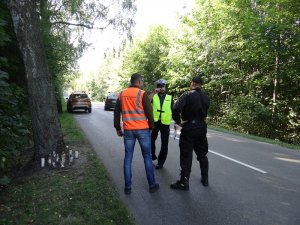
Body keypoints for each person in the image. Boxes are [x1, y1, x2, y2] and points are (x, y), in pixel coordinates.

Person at [114, 73, 159, 195]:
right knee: (147, 157)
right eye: (142, 81)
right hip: (142, 130)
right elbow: (149, 112)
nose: (143, 83)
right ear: (138, 82)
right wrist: (152, 127)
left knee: (128, 158)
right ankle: (152, 185)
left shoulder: (121, 94)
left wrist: (118, 128)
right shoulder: (142, 93)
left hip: (128, 131)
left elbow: (116, 113)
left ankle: (127, 187)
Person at [170, 76, 210, 191]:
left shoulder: (187, 95)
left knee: (186, 154)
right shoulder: (206, 98)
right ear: (200, 85)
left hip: (189, 127)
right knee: (202, 153)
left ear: (192, 83)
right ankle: (205, 178)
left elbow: (175, 109)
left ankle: (184, 182)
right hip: (202, 127)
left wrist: (178, 122)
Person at [150, 79, 174, 169]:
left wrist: (177, 121)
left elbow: (174, 110)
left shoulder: (170, 97)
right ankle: (152, 155)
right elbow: (146, 101)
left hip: (165, 123)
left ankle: (161, 162)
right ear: (157, 87)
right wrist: (153, 93)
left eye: (163, 86)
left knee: (164, 144)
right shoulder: (153, 96)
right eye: (159, 86)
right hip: (155, 122)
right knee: (151, 140)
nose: (161, 88)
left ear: (165, 87)